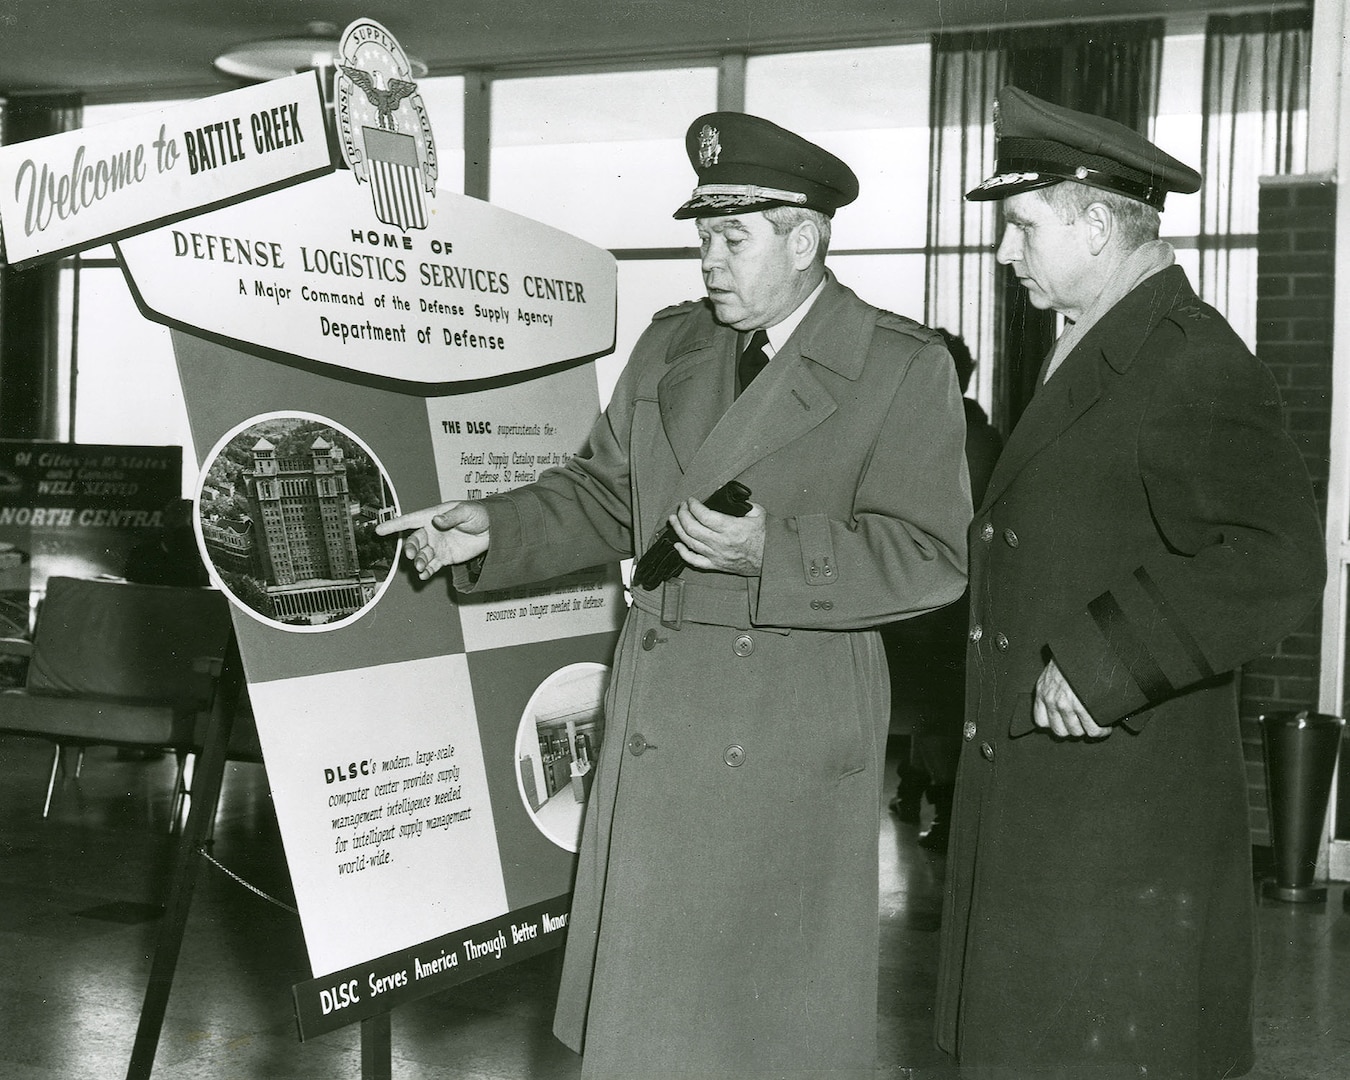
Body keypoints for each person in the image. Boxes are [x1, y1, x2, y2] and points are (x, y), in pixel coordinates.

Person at [379, 112, 971, 1080]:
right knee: (650, 1043)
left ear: (806, 239)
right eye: (703, 235)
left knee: (761, 1042)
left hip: (784, 740)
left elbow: (934, 554)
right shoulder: (669, 350)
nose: (708, 260)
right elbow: (605, 494)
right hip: (662, 739)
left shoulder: (899, 369)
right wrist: (490, 525)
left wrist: (771, 551)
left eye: (732, 238)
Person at [935, 86, 1326, 1080]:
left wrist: (1106, 658)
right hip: (1056, 817)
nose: (1004, 254)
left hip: (1114, 828)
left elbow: (1275, 555)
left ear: (1099, 225)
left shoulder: (1187, 358)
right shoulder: (1096, 343)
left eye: (1022, 227)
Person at [884, 329, 1002, 851]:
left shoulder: (959, 434)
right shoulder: (967, 429)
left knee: (939, 709)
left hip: (947, 593)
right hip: (933, 591)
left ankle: (941, 806)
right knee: (930, 705)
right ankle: (917, 792)